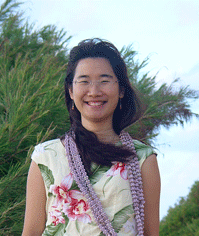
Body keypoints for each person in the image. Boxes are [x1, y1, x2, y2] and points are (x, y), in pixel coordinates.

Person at [22, 38, 160, 236]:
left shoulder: (142, 159)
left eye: (104, 81)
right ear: (71, 90)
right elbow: (31, 232)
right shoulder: (46, 156)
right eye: (84, 81)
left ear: (121, 90)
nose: (94, 92)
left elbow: (150, 233)